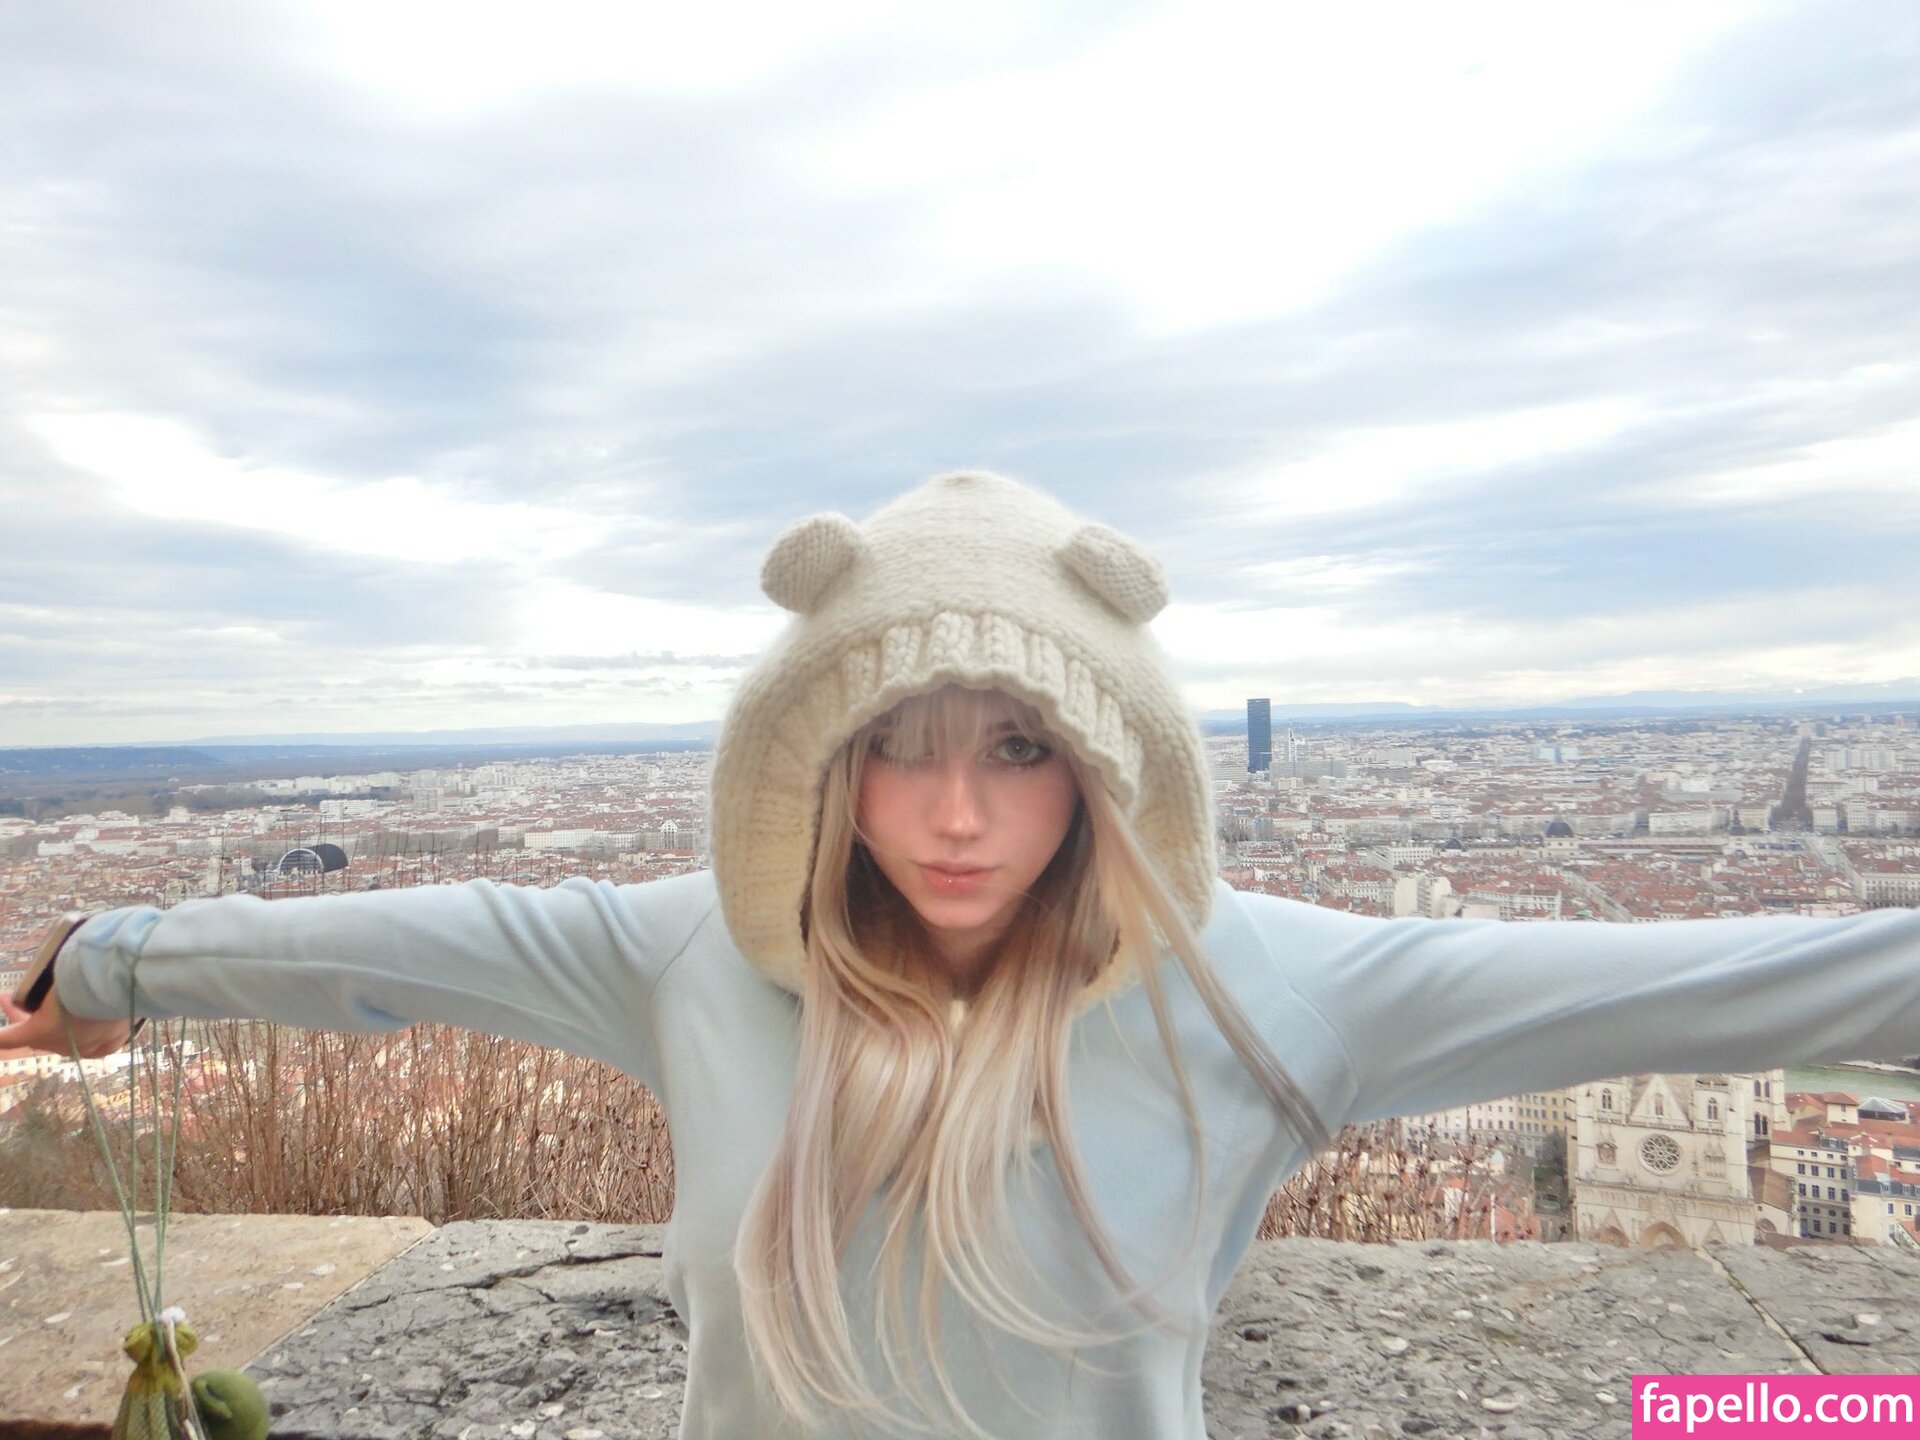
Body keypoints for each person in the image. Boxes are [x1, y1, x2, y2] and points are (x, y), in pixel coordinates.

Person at [5, 469, 1919, 1440]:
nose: (952, 817)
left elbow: (1743, 981)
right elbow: (390, 951)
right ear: (814, 765)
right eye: (893, 748)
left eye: (1018, 746)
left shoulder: (1259, 983)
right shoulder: (697, 951)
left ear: (1105, 766)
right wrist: (97, 963)